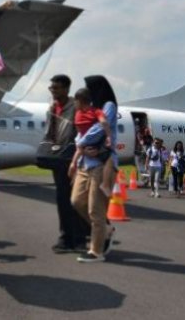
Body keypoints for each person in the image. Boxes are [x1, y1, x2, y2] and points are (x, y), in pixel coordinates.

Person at [42, 75, 89, 254]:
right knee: (62, 199)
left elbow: (82, 131)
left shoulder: (75, 108)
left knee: (75, 199)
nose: (53, 91)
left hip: (74, 159)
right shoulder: (52, 109)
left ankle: (79, 239)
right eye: (51, 88)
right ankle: (65, 237)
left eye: (56, 88)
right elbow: (49, 133)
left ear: (66, 89)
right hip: (58, 159)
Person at [68, 92, 111, 263]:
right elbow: (79, 140)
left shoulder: (97, 114)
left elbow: (102, 126)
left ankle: (96, 251)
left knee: (96, 209)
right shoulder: (79, 115)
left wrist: (107, 137)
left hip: (98, 166)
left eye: (75, 101)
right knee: (77, 201)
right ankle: (103, 228)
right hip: (84, 165)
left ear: (81, 101)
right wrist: (77, 157)